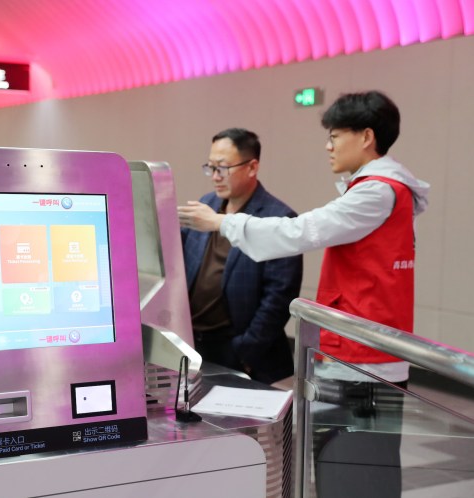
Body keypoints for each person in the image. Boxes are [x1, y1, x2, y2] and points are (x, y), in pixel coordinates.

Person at [178, 91, 430, 497]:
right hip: (355, 357)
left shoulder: (377, 192)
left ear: (366, 137)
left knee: (353, 472)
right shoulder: (383, 190)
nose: (328, 146)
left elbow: (301, 232)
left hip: (361, 364)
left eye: (335, 136)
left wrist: (223, 225)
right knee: (345, 467)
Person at [181, 127, 303, 385]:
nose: (215, 176)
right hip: (196, 344)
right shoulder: (207, 205)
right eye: (210, 167)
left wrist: (243, 351)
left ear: (252, 167)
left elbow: (279, 298)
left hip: (242, 351)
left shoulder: (278, 219)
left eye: (223, 168)